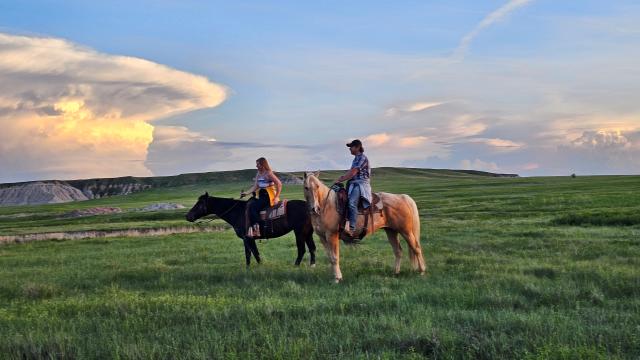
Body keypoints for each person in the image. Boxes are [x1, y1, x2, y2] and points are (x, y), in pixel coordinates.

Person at [334, 139, 371, 237]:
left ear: (357, 147)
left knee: (351, 202)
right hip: (353, 183)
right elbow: (350, 172)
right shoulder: (356, 159)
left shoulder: (362, 158)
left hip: (361, 184)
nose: (350, 149)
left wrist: (341, 180)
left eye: (351, 147)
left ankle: (352, 228)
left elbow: (353, 172)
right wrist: (341, 178)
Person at [241, 157, 282, 237]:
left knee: (253, 207)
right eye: (256, 164)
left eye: (258, 164)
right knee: (250, 203)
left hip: (268, 195)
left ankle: (257, 229)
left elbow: (279, 184)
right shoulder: (258, 174)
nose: (256, 166)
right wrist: (246, 193)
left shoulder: (268, 173)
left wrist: (277, 197)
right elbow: (255, 186)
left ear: (263, 165)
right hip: (261, 195)